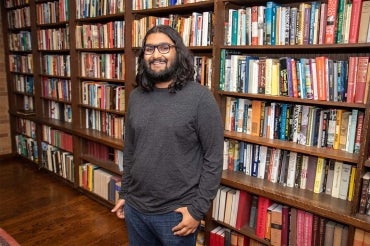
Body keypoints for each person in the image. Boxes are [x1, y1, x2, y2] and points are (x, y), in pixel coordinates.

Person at [111, 25, 224, 246]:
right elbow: (131, 149)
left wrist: (197, 210)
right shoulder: (136, 96)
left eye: (164, 47)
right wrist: (125, 194)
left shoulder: (200, 98)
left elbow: (214, 158)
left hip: (176, 214)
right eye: (149, 49)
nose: (156, 55)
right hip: (135, 208)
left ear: (178, 52)